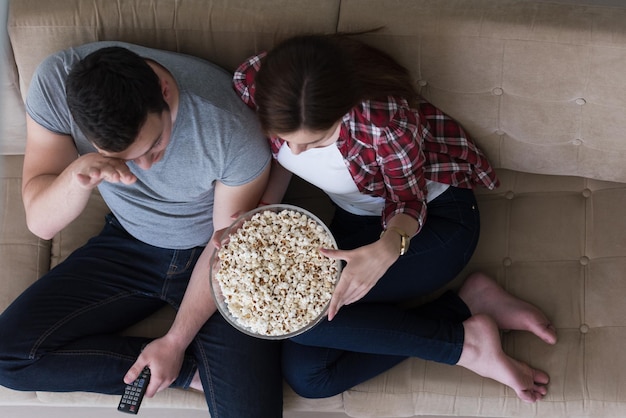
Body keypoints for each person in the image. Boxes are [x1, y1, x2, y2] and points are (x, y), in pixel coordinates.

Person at [233, 34, 558, 403]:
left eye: (314, 141)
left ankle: (466, 348)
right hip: (356, 222)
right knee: (312, 377)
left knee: (298, 320)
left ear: (343, 111)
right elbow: (279, 159)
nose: (294, 150)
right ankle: (469, 307)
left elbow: (408, 200)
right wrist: (258, 213)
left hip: (434, 224)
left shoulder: (382, 121)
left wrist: (387, 248)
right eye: (281, 137)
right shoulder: (252, 82)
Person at [0, 41, 283, 417]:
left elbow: (227, 250)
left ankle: (187, 357)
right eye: (124, 159)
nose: (144, 169)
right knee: (7, 358)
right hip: (126, 244)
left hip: (208, 257)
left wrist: (177, 339)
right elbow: (41, 222)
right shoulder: (55, 83)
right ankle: (186, 372)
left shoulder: (230, 129)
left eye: (155, 145)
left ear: (163, 91)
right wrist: (75, 178)